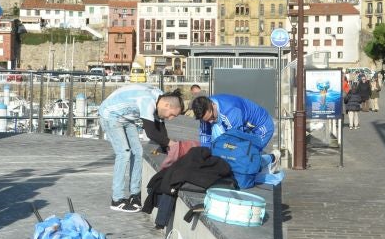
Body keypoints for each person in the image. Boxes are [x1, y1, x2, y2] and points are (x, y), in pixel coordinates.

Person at [98, 84, 184, 212]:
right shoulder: (148, 101)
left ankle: (135, 194)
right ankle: (116, 199)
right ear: (167, 105)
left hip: (126, 118)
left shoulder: (160, 98)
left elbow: (160, 128)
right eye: (172, 114)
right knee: (124, 153)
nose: (170, 118)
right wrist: (172, 144)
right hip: (110, 114)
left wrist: (168, 149)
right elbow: (151, 133)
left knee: (138, 152)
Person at [191, 93, 275, 152]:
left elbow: (236, 142)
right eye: (207, 120)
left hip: (262, 125)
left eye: (212, 117)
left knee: (249, 154)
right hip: (244, 126)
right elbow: (205, 138)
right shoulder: (205, 111)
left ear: (214, 105)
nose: (211, 121)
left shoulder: (230, 112)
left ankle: (272, 159)